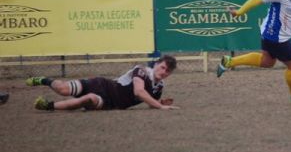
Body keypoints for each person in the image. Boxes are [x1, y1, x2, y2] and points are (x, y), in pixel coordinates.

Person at [26, 55, 179, 111]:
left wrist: (160, 102)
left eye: (167, 71)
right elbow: (138, 92)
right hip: (102, 85)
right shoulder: (141, 70)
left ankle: (48, 106)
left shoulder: (159, 86)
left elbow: (150, 101)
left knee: (88, 99)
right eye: (162, 67)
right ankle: (43, 80)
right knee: (63, 89)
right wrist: (160, 106)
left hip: (110, 103)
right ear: (156, 64)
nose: (163, 72)